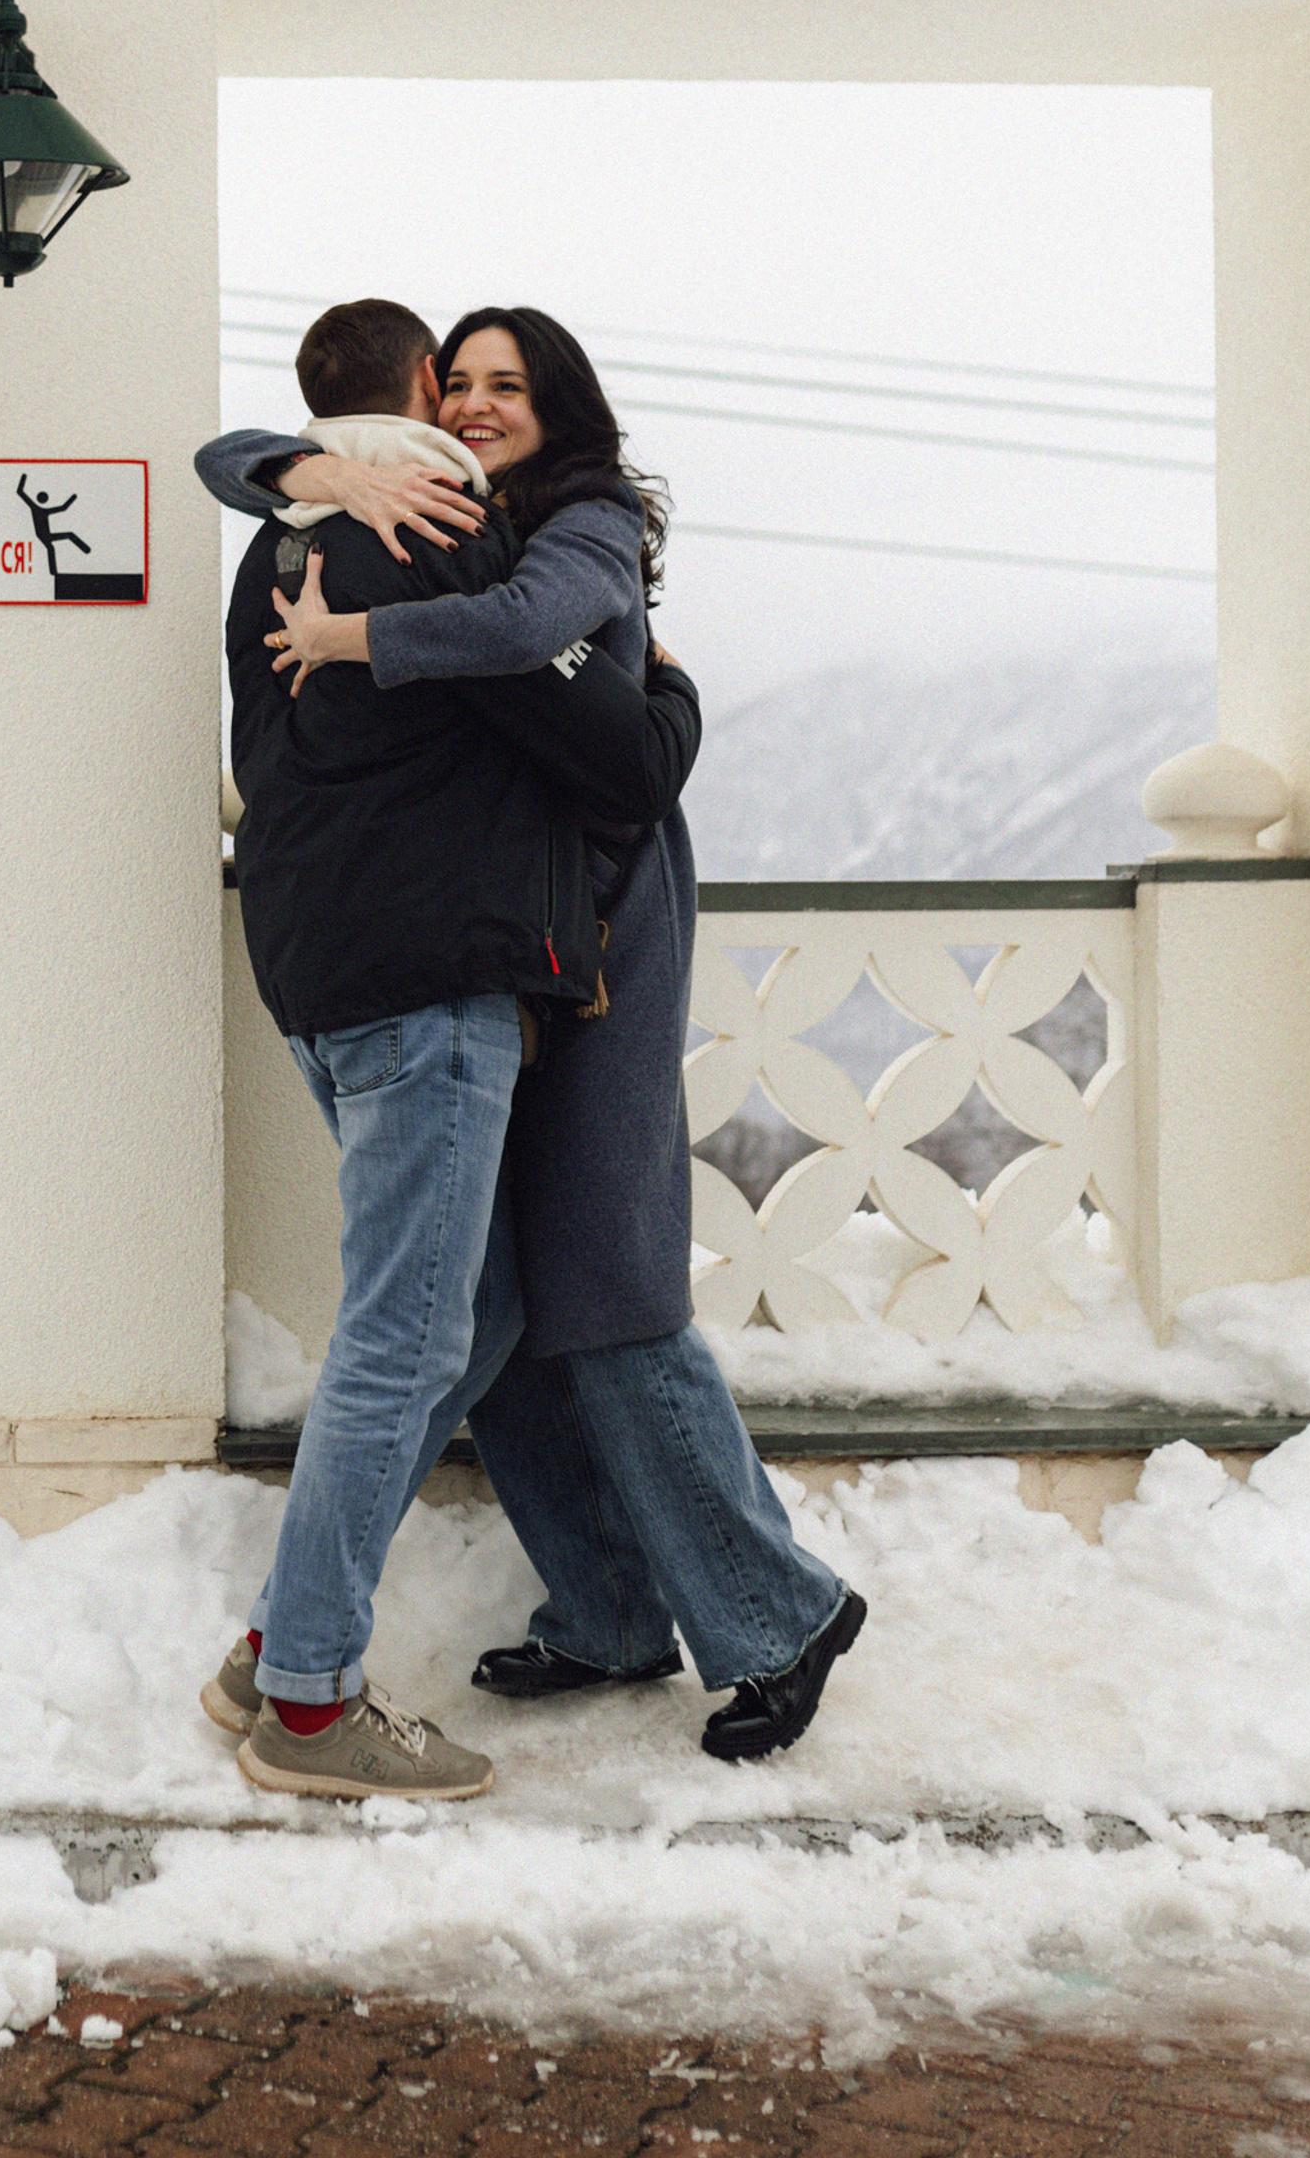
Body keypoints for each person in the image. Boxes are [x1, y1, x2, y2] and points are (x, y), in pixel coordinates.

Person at [200, 304, 864, 1765]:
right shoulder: (413, 510)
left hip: (597, 935)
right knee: (497, 1309)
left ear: (556, 405)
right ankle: (609, 1610)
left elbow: (619, 759)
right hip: (487, 942)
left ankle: (776, 1613)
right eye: (465, 381)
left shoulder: (554, 530)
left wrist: (664, 697)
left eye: (511, 384)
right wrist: (303, 468)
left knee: (606, 1290)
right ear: (425, 393)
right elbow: (236, 457)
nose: (485, 405)